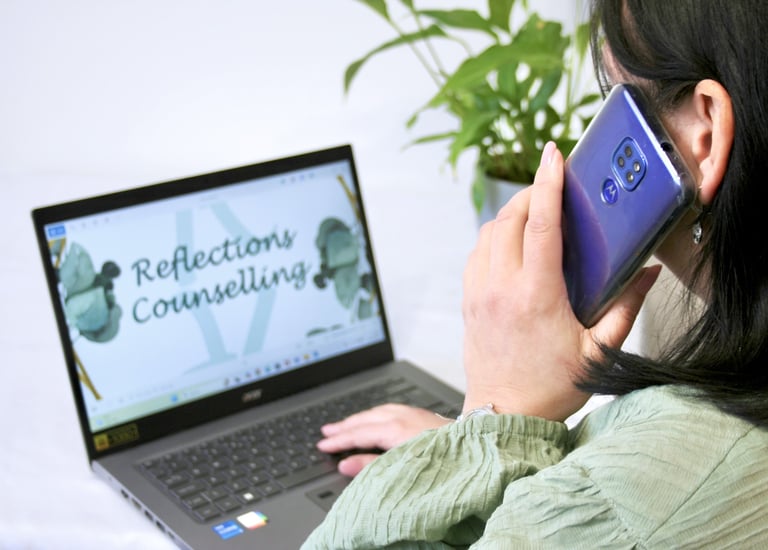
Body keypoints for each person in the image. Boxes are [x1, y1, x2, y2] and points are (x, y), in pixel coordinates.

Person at [302, 0, 768, 547]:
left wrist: (497, 412)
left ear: (704, 137)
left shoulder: (637, 492)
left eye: (615, 104)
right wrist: (483, 459)